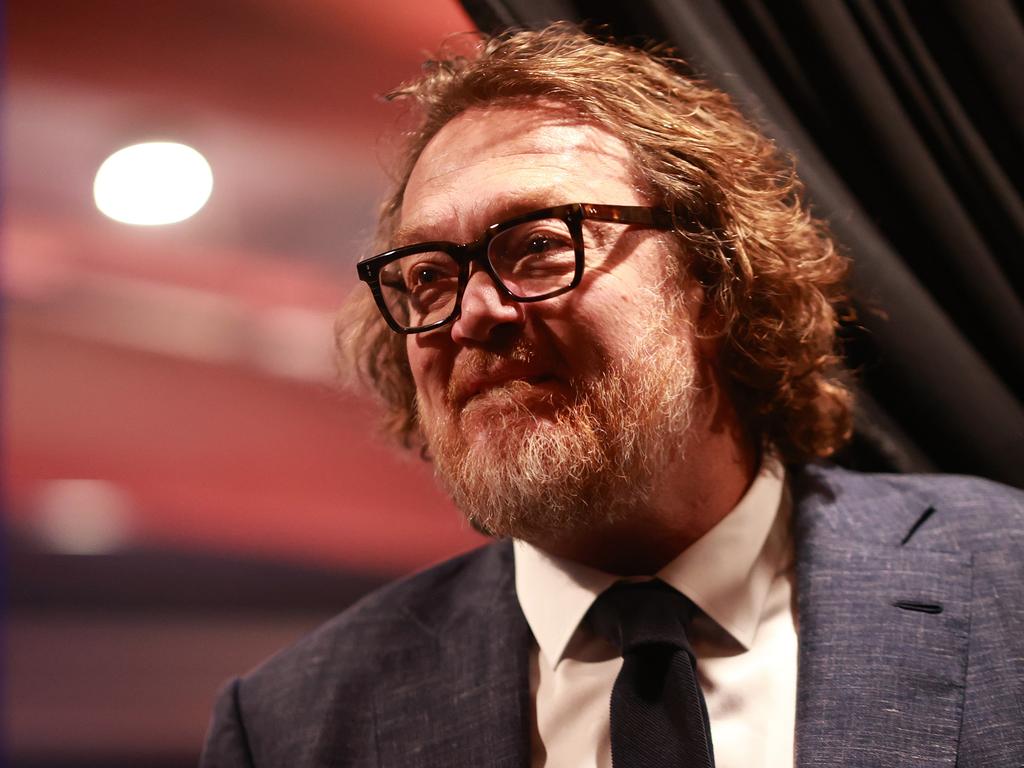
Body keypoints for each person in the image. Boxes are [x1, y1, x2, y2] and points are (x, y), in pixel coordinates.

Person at [200, 23, 1024, 768]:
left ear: (711, 278)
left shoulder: (1005, 583)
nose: (472, 315)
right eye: (427, 278)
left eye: (537, 246)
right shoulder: (289, 728)